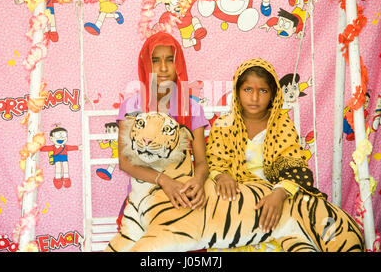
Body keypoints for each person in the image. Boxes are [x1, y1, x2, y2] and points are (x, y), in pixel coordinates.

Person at [206, 58, 326, 237]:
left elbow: (295, 168)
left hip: (275, 197)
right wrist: (222, 176)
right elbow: (215, 164)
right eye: (247, 90)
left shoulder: (281, 125)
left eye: (263, 90)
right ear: (237, 92)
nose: (254, 98)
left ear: (273, 95)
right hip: (236, 199)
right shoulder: (224, 125)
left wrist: (279, 194)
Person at [116, 32, 209, 211]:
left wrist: (198, 180)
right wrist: (164, 181)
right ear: (146, 65)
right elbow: (125, 162)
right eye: (155, 60)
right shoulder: (131, 106)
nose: (163, 68)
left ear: (179, 64)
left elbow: (201, 162)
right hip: (144, 193)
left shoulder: (192, 108)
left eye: (170, 60)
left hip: (182, 191)